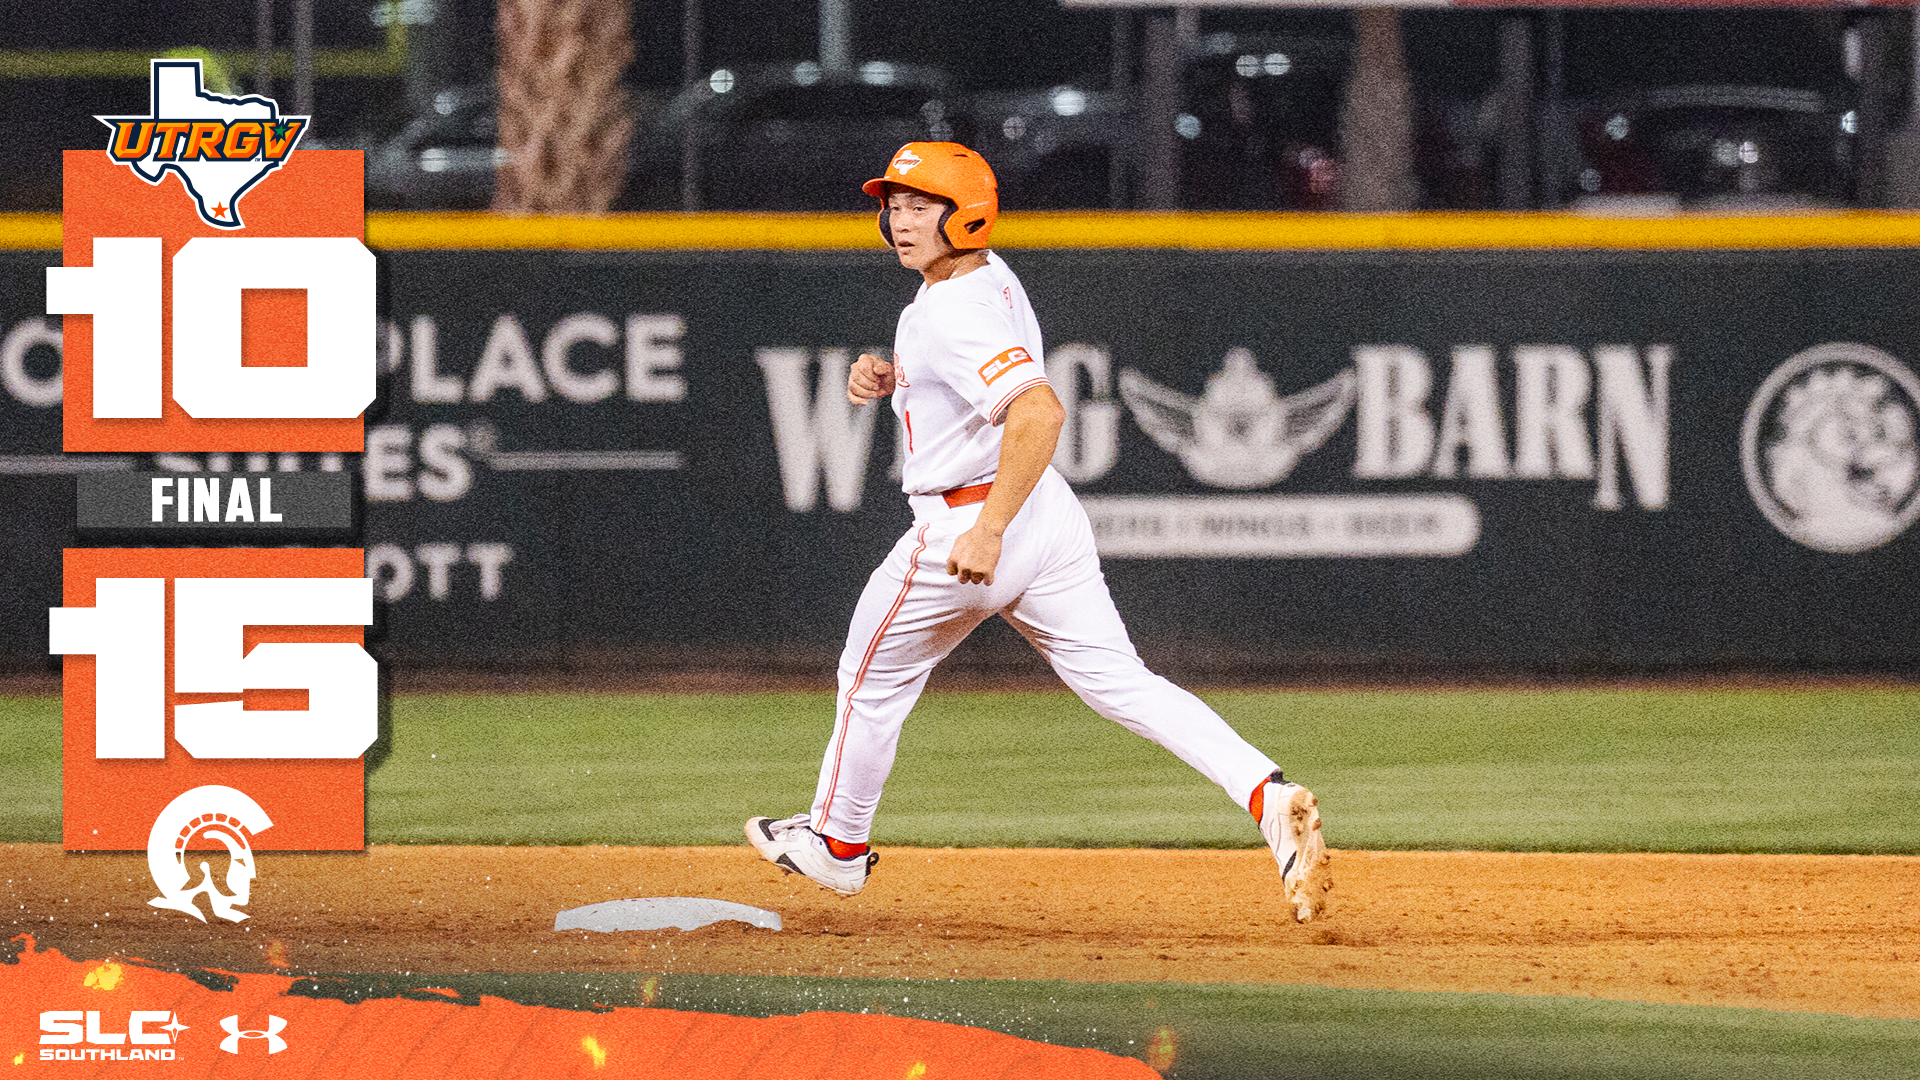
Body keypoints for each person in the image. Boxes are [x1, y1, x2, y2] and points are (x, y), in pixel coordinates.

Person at [746, 142, 1331, 921]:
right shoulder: (980, 276)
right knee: (1122, 682)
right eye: (895, 204)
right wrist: (895, 374)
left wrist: (986, 531)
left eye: (923, 206)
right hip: (1045, 517)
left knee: (869, 680)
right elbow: (971, 367)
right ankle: (1267, 794)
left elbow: (1040, 410)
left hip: (971, 521)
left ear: (968, 214)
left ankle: (838, 847)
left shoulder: (950, 309)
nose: (901, 219)